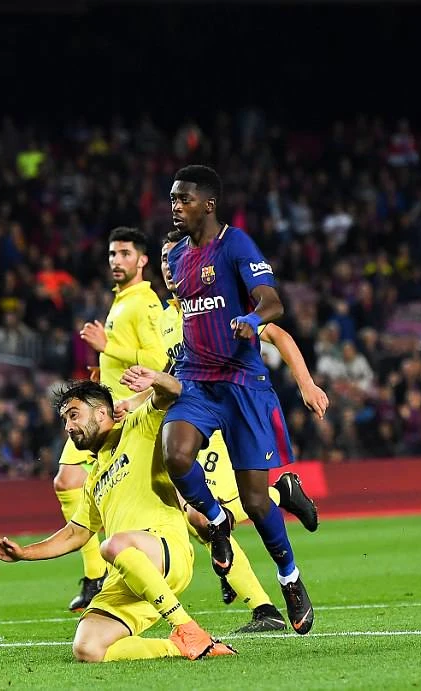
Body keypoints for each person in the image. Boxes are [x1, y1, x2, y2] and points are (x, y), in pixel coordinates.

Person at [0, 378, 235, 662]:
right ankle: (181, 646)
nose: (68, 427)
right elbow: (75, 534)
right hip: (127, 574)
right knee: (88, 648)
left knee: (111, 546)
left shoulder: (139, 427)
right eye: (65, 420)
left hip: (165, 550)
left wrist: (150, 382)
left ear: (102, 413)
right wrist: (23, 553)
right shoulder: (94, 479)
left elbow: (174, 390)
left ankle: (187, 628)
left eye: (74, 415)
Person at [150, 236, 327, 632]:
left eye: (174, 256)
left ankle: (287, 574)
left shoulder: (218, 301)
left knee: (253, 502)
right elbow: (170, 372)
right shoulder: (163, 320)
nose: (169, 265)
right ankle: (256, 593)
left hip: (238, 404)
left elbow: (278, 335)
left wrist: (306, 384)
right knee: (199, 511)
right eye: (164, 258)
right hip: (197, 412)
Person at [52, 226, 167, 612]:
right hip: (105, 406)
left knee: (171, 504)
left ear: (143, 260)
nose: (117, 261)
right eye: (112, 254)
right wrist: (104, 368)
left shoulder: (145, 303)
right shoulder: (121, 301)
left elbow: (158, 360)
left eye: (125, 254)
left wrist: (109, 346)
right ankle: (95, 575)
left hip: (124, 413)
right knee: (68, 481)